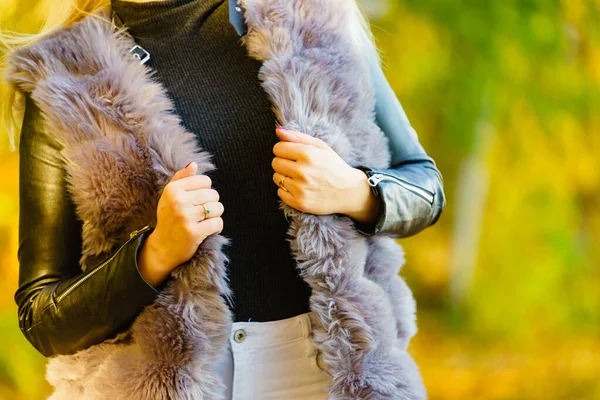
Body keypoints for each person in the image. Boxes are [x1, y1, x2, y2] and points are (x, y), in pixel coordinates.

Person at [4, 0, 445, 398]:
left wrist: (353, 191)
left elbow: (426, 187)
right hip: (158, 385)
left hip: (327, 375)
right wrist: (153, 254)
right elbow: (43, 317)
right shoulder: (64, 73)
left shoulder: (310, 16)